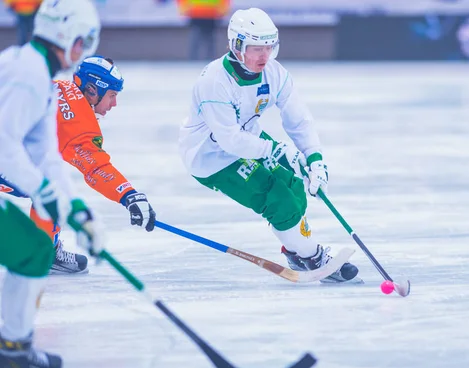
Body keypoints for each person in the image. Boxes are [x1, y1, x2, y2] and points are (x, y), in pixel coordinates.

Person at [179, 8, 362, 284]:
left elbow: (298, 120)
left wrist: (314, 159)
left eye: (269, 47)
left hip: (250, 139)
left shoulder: (275, 74)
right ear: (237, 45)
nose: (264, 57)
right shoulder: (214, 82)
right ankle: (313, 257)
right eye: (256, 49)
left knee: (294, 185)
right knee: (277, 197)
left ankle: (296, 251)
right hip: (211, 155)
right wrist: (276, 150)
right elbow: (229, 139)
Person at [0, 0, 103, 368]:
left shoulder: (40, 74)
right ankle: (13, 345)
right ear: (66, 36)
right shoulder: (27, 74)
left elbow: (44, 153)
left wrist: (75, 206)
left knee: (33, 250)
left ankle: (13, 346)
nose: (84, 52)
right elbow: (4, 146)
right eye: (83, 41)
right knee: (30, 250)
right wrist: (43, 192)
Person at [0, 55, 157, 275]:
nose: (114, 104)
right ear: (92, 90)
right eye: (112, 95)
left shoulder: (59, 86)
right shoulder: (79, 121)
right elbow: (96, 168)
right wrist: (128, 194)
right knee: (52, 190)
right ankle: (42, 252)